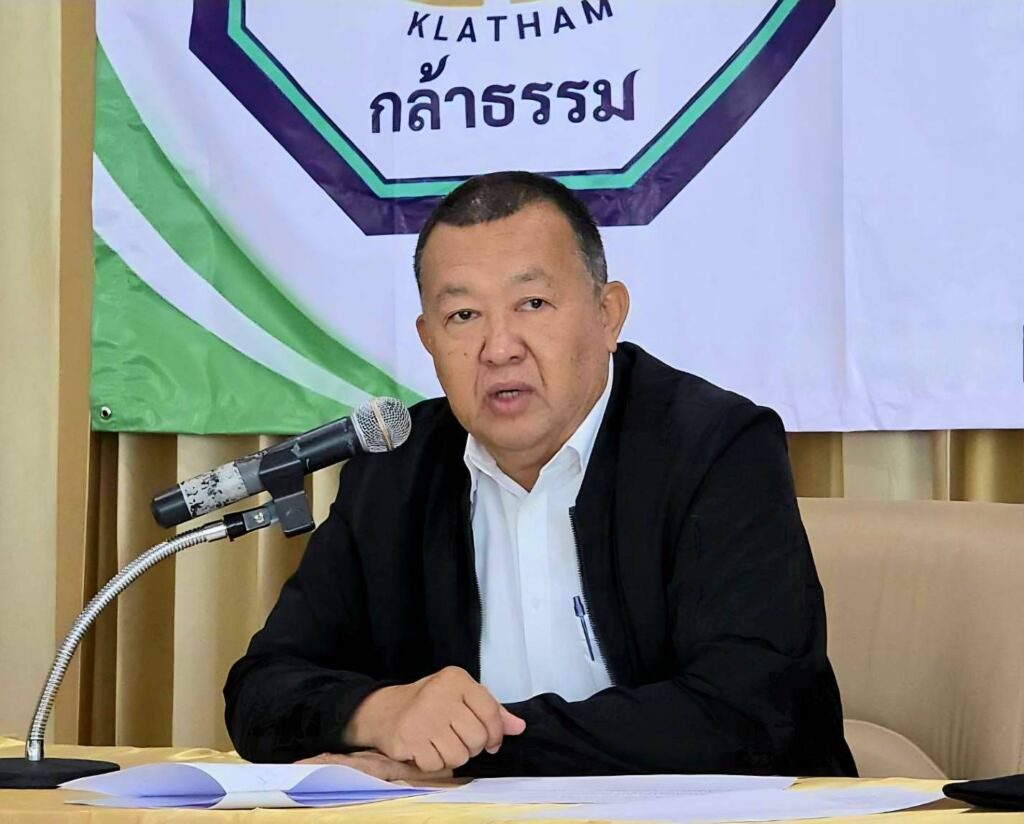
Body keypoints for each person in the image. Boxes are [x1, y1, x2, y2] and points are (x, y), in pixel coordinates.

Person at [224, 171, 856, 779]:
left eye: (532, 303)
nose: (499, 348)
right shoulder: (395, 470)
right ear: (427, 338)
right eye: (463, 316)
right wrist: (381, 714)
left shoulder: (714, 447)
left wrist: (472, 753)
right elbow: (261, 691)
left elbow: (747, 712)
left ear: (608, 314)